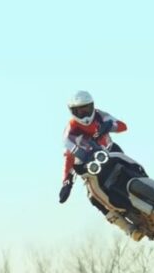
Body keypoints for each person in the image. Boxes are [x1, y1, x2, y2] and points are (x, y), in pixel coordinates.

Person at [58, 90, 143, 240]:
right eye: (80, 111)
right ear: (72, 112)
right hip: (90, 166)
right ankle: (128, 229)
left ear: (93, 106)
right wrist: (66, 183)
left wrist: (109, 125)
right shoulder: (69, 132)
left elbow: (123, 126)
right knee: (93, 198)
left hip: (110, 152)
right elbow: (68, 159)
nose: (85, 114)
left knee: (132, 163)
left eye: (87, 109)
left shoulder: (100, 115)